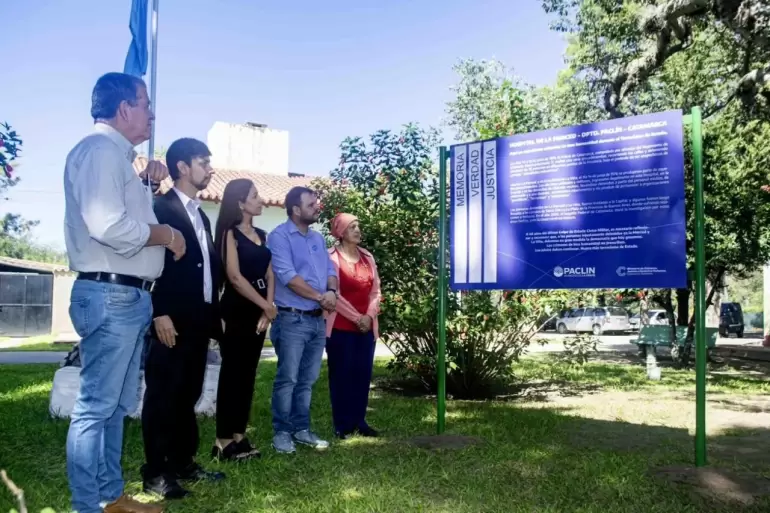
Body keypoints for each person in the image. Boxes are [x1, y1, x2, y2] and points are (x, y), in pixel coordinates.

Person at [64, 72, 186, 513]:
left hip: (128, 296)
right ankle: (86, 504)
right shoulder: (99, 151)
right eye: (145, 103)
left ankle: (109, 496)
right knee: (96, 407)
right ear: (123, 109)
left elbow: (121, 212)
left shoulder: (117, 158)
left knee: (115, 406)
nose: (152, 113)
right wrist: (166, 232)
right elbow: (108, 226)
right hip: (111, 294)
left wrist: (147, 184)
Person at [140, 138, 225, 499]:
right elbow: (147, 266)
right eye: (203, 162)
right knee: (163, 395)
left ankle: (183, 462)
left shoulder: (201, 214)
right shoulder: (159, 207)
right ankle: (156, 472)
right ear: (182, 168)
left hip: (199, 320)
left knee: (188, 393)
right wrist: (158, 312)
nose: (211, 168)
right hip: (169, 319)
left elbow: (206, 269)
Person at [267, 186, 338, 454]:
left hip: (317, 320)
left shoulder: (318, 239)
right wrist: (322, 297)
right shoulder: (279, 237)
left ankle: (301, 429)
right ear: (295, 209)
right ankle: (282, 432)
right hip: (292, 319)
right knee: (288, 379)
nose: (316, 208)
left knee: (307, 379)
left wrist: (331, 292)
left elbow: (331, 270)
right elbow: (288, 276)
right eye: (311, 205)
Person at [212, 178, 277, 461]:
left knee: (248, 376)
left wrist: (267, 308)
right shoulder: (229, 233)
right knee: (232, 376)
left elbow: (270, 274)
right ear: (240, 202)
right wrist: (265, 304)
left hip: (259, 312)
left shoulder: (263, 234)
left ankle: (239, 435)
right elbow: (235, 278)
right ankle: (222, 440)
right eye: (254, 195)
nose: (260, 199)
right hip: (236, 311)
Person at [325, 214, 382, 439]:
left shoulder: (368, 257)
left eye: (358, 226)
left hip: (366, 328)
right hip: (340, 327)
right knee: (341, 376)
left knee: (362, 374)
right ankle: (343, 424)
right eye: (352, 227)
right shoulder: (330, 257)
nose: (358, 230)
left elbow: (376, 291)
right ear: (340, 232)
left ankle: (360, 420)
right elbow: (333, 294)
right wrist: (356, 317)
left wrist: (368, 316)